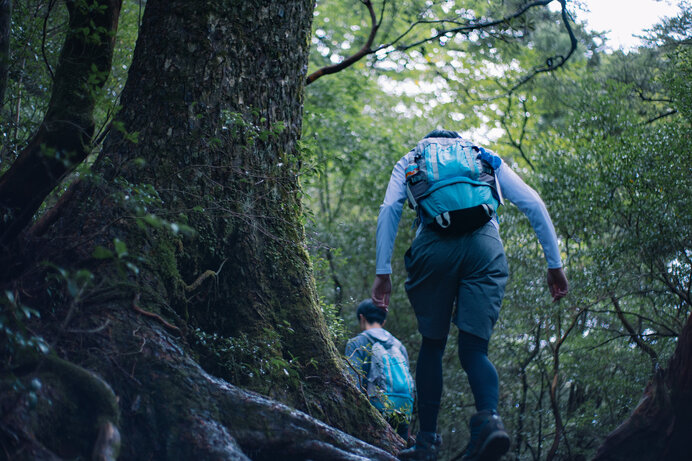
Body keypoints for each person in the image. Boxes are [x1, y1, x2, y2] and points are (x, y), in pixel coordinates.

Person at [371, 129, 569, 461]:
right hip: (485, 246)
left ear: (430, 142)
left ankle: (426, 444)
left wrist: (383, 272)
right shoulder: (482, 156)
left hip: (432, 245)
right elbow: (532, 201)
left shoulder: (411, 159)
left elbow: (390, 207)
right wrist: (555, 265)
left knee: (433, 345)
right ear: (458, 141)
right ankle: (489, 422)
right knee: (475, 350)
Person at [345, 299, 415, 441]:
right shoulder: (399, 346)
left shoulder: (357, 343)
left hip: (374, 409)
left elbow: (353, 383)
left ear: (362, 318)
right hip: (404, 409)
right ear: (383, 322)